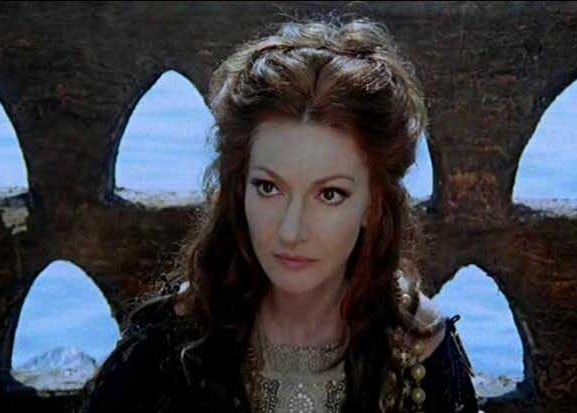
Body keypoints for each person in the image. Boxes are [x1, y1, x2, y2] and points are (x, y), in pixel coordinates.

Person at [79, 16, 479, 413]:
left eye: (330, 194)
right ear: (239, 188)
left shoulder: (418, 356)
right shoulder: (168, 347)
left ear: (373, 205)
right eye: (269, 188)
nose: (290, 231)